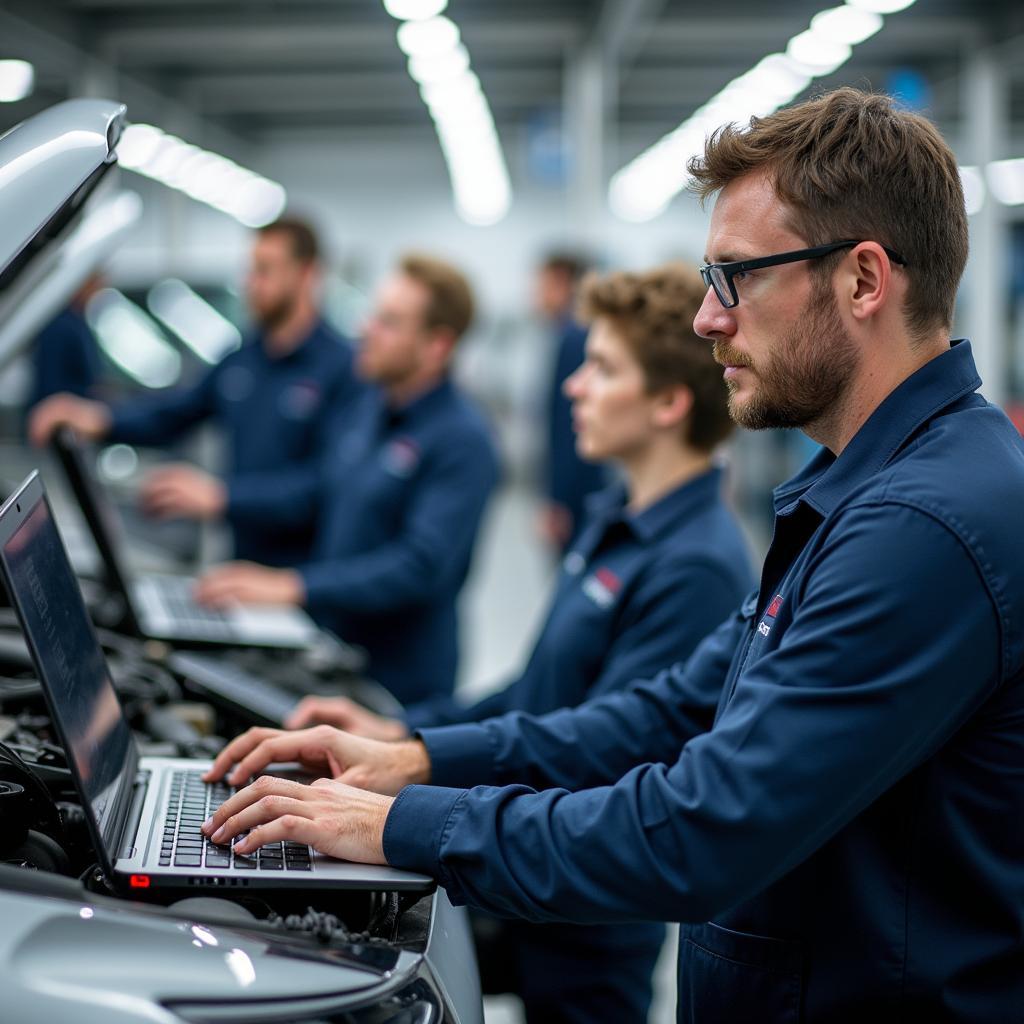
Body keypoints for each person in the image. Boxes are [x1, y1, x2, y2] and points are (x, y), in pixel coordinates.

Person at [200, 89, 1024, 1022]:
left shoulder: (926, 525)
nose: (710, 319)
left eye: (737, 278)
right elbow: (661, 712)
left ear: (864, 281)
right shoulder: (864, 496)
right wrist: (415, 760)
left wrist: (401, 827)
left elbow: (705, 830)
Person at [284, 263, 754, 1022]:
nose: (573, 387)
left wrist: (416, 791)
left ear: (668, 402)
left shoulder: (695, 563)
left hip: (583, 916)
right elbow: (538, 689)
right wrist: (405, 735)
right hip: (528, 864)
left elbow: (611, 749)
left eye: (601, 369)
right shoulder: (616, 519)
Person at [192, 254, 500, 705]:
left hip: (399, 684)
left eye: (389, 322)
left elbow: (418, 567)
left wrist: (295, 587)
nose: (365, 328)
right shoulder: (369, 409)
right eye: (374, 313)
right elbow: (320, 489)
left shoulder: (463, 440)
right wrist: (227, 501)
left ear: (437, 346)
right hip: (336, 650)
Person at [28, 217, 357, 567]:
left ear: (307, 274)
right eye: (251, 270)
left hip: (307, 575)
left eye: (265, 270)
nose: (252, 283)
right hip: (242, 569)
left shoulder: (342, 369)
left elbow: (324, 485)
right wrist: (96, 418)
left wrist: (223, 497)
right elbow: (177, 412)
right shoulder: (245, 359)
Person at [535, 252, 608, 553]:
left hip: (577, 491)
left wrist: (559, 500)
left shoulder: (574, 337)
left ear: (562, 283)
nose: (536, 294)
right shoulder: (570, 334)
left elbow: (567, 426)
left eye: (542, 285)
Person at [25, 272, 105, 413]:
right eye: (95, 284)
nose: (98, 291)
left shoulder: (78, 322)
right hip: (58, 413)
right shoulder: (59, 325)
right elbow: (51, 384)